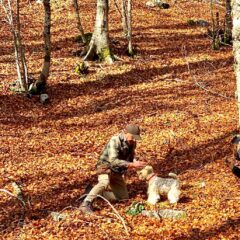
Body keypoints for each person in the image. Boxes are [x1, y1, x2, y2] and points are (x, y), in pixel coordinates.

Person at [80, 124, 147, 214]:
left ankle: (93, 192)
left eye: (136, 137)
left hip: (117, 170)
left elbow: (131, 157)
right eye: (133, 137)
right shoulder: (115, 140)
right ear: (125, 133)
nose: (134, 139)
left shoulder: (132, 143)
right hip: (105, 167)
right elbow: (113, 160)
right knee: (104, 182)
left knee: (123, 197)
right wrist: (132, 164)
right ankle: (86, 203)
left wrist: (136, 162)